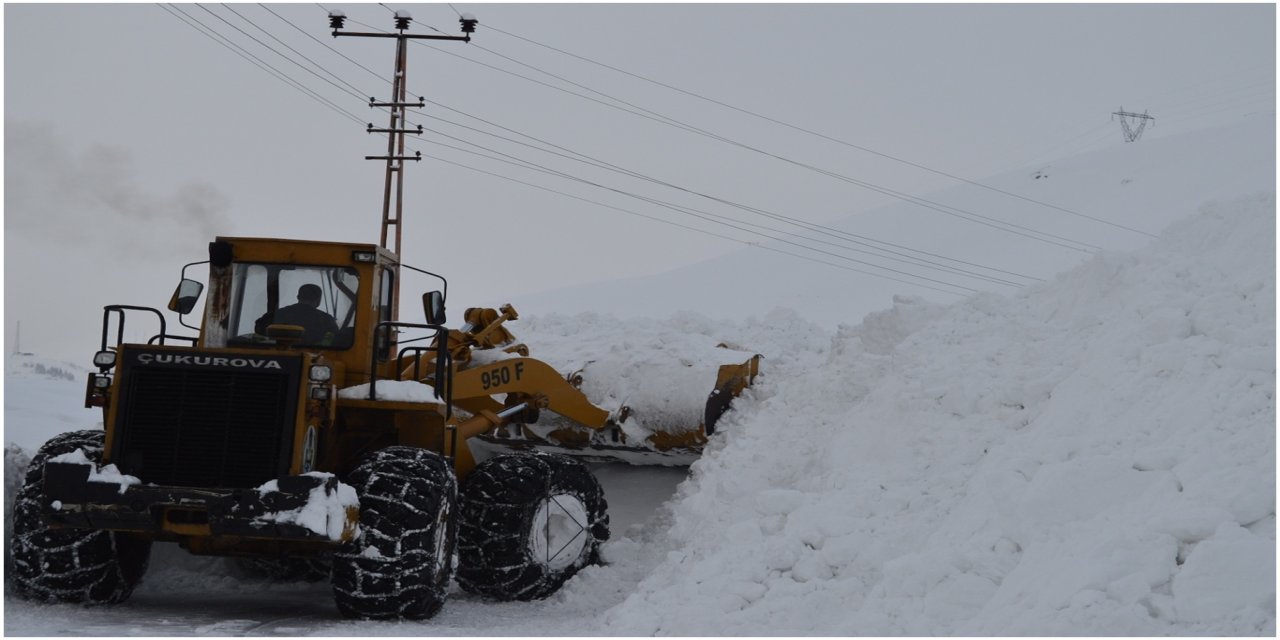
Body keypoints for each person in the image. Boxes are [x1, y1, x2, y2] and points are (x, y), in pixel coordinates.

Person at [256, 284, 339, 345]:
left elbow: (258, 329)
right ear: (318, 300)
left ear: (298, 297)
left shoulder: (276, 314)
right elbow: (336, 339)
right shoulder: (326, 320)